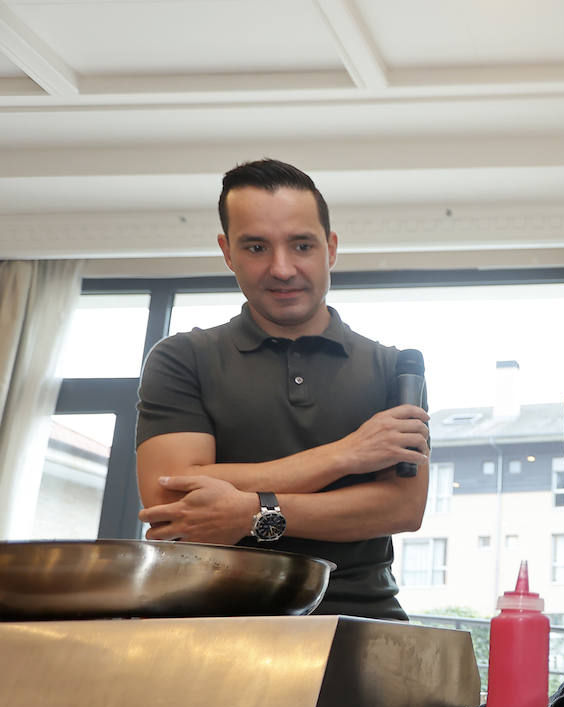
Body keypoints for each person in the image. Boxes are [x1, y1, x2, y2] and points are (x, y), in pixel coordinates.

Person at [135, 159, 431, 620]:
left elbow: (401, 508)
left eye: (301, 245)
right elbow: (171, 500)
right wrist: (344, 456)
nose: (282, 268)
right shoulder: (181, 357)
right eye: (256, 247)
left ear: (330, 248)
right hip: (206, 618)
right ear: (227, 252)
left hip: (360, 621)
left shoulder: (395, 369)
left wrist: (249, 513)